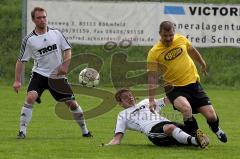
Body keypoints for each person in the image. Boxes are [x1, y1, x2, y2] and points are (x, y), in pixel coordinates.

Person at [13, 7, 92, 139]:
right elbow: (21, 60)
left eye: (44, 17)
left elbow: (67, 50)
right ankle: (22, 132)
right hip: (39, 75)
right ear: (33, 20)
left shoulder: (56, 33)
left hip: (57, 77)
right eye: (39, 18)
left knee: (72, 103)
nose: (42, 20)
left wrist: (65, 65)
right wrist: (17, 80)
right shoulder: (29, 40)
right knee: (30, 97)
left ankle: (85, 131)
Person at [147, 21, 227, 142]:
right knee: (186, 109)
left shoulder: (181, 39)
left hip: (193, 84)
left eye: (170, 35)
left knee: (211, 116)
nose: (168, 38)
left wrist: (202, 63)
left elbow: (192, 50)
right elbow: (152, 76)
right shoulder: (154, 52)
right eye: (165, 36)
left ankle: (216, 129)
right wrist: (151, 100)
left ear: (174, 33)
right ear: (160, 34)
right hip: (174, 88)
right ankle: (196, 136)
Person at [103, 88, 209, 148]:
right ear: (120, 103)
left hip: (167, 123)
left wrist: (180, 92)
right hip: (153, 132)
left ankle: (195, 140)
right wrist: (107, 145)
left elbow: (166, 100)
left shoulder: (146, 102)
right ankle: (195, 141)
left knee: (188, 129)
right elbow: (117, 138)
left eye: (130, 95)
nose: (130, 98)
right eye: (125, 97)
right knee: (170, 128)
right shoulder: (122, 114)